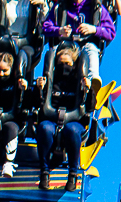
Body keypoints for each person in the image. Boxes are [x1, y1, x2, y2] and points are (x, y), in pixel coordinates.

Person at [42, 0, 116, 84]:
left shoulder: (95, 7)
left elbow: (111, 31)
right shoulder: (60, 7)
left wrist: (94, 29)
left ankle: (92, 82)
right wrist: (59, 30)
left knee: (91, 49)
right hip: (66, 47)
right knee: (51, 52)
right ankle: (46, 84)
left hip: (86, 44)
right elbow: (45, 27)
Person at [35, 45, 91, 192]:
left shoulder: (78, 82)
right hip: (51, 120)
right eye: (61, 64)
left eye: (68, 64)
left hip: (74, 121)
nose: (64, 67)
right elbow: (36, 104)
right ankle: (44, 172)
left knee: (71, 130)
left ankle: (72, 173)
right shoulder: (52, 81)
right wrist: (39, 89)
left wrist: (88, 90)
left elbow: (90, 107)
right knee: (44, 128)